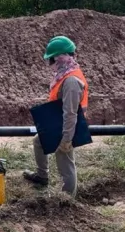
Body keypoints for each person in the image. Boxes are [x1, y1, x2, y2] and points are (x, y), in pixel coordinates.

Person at [23, 36, 89, 197]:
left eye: (52, 59)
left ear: (60, 58)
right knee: (39, 141)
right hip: (58, 122)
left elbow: (70, 112)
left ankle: (67, 200)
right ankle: (42, 176)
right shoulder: (65, 75)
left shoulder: (71, 81)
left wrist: (66, 139)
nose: (50, 63)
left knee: (65, 160)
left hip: (67, 126)